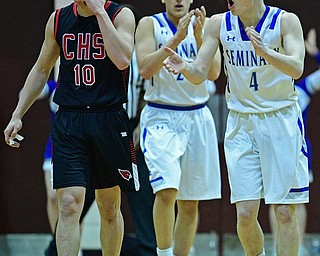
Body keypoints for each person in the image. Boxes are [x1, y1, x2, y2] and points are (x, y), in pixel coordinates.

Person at [163, 1, 309, 255]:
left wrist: (266, 52)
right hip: (242, 122)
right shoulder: (218, 23)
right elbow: (200, 72)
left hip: (280, 120)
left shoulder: (286, 21)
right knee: (244, 214)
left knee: (285, 211)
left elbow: (297, 67)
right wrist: (184, 66)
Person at [4, 1, 139, 256]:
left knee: (109, 207)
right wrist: (17, 114)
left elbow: (122, 59)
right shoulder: (58, 20)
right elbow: (41, 69)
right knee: (67, 204)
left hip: (108, 118)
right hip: (70, 121)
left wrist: (99, 12)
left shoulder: (121, 15)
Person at [135, 1, 222, 255]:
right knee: (166, 191)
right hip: (161, 115)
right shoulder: (149, 24)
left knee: (189, 203)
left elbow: (214, 72)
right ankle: (162, 253)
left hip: (197, 116)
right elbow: (145, 68)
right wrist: (176, 39)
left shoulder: (204, 27)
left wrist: (197, 35)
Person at [269, 28, 320, 256]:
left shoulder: (303, 89)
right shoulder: (266, 92)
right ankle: (276, 246)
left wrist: (315, 54)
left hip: (299, 150)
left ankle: (297, 249)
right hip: (272, 149)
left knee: (298, 201)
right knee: (274, 201)